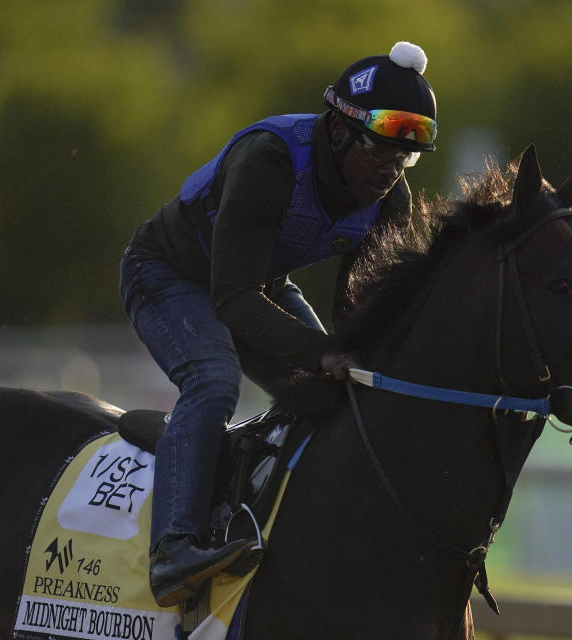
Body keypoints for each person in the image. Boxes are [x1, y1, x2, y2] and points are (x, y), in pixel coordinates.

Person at [118, 41, 439, 607]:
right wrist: (322, 352)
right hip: (167, 273)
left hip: (254, 284)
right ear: (338, 131)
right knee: (214, 380)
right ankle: (173, 549)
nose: (390, 171)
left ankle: (255, 496)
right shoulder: (269, 159)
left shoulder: (391, 201)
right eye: (378, 152)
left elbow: (355, 320)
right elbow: (233, 299)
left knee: (333, 393)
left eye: (403, 159)